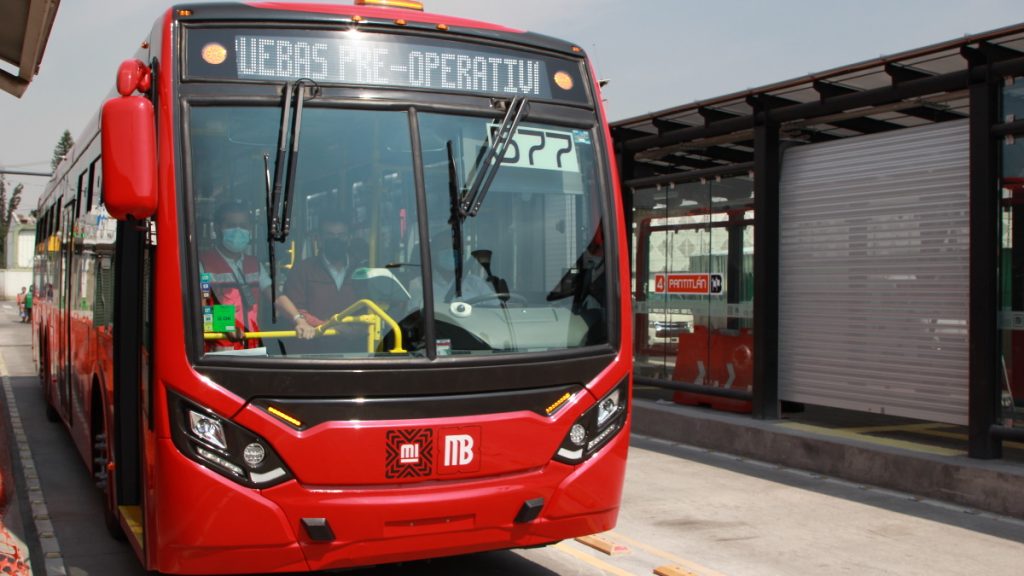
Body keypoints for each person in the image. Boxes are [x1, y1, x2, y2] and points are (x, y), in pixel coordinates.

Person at [276, 214, 366, 353]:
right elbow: (295, 309)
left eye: (341, 235)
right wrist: (329, 327)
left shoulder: (362, 271)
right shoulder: (302, 270)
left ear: (349, 238)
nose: (336, 240)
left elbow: (370, 307)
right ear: (319, 238)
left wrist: (360, 329)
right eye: (330, 235)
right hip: (311, 352)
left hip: (353, 352)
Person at [199, 201, 270, 351]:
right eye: (231, 225)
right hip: (220, 348)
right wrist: (227, 326)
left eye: (243, 226)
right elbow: (202, 303)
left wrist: (297, 318)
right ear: (218, 228)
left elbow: (274, 296)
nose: (238, 230)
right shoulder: (204, 264)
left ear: (250, 229)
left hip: (252, 345)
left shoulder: (255, 264)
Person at [407, 231, 500, 310]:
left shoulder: (475, 282)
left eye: (455, 248)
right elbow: (415, 318)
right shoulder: (419, 285)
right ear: (434, 254)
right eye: (445, 248)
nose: (451, 252)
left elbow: (497, 308)